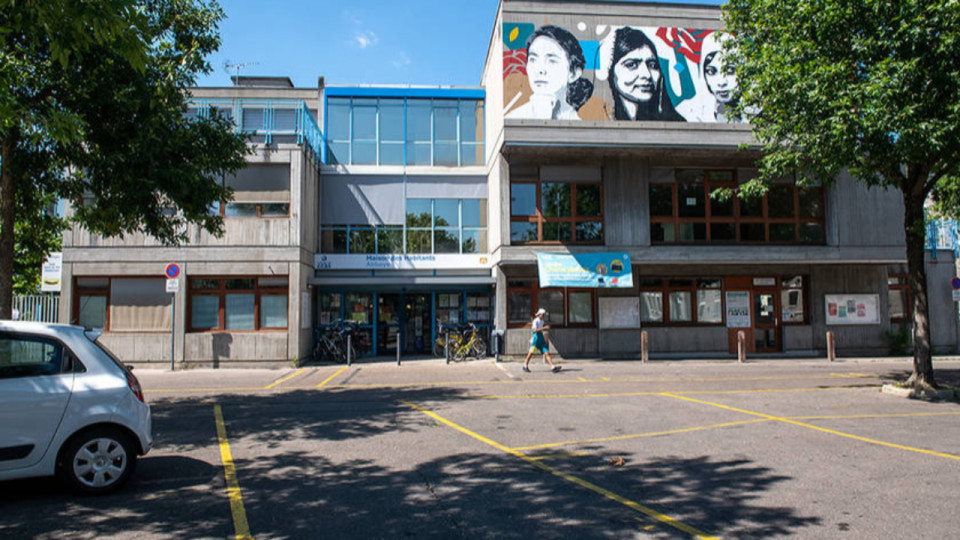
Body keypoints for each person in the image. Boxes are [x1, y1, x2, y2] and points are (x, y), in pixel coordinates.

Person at [506, 25, 593, 120]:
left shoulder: (578, 121)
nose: (540, 70)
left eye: (552, 61)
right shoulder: (514, 118)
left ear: (573, 74)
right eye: (533, 59)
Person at [604, 27, 685, 122]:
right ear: (609, 70)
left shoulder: (673, 121)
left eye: (652, 65)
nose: (647, 74)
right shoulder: (594, 114)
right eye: (631, 65)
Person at [700, 32, 747, 123]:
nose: (722, 82)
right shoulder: (699, 118)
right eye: (711, 72)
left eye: (730, 71)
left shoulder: (762, 118)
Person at [523, 308, 561, 373]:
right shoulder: (536, 321)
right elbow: (534, 330)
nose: (544, 316)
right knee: (531, 353)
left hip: (541, 338)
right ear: (539, 314)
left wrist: (544, 328)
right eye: (543, 314)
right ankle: (525, 366)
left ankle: (553, 367)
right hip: (536, 339)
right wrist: (544, 328)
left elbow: (540, 329)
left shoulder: (542, 321)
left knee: (547, 353)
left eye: (544, 314)